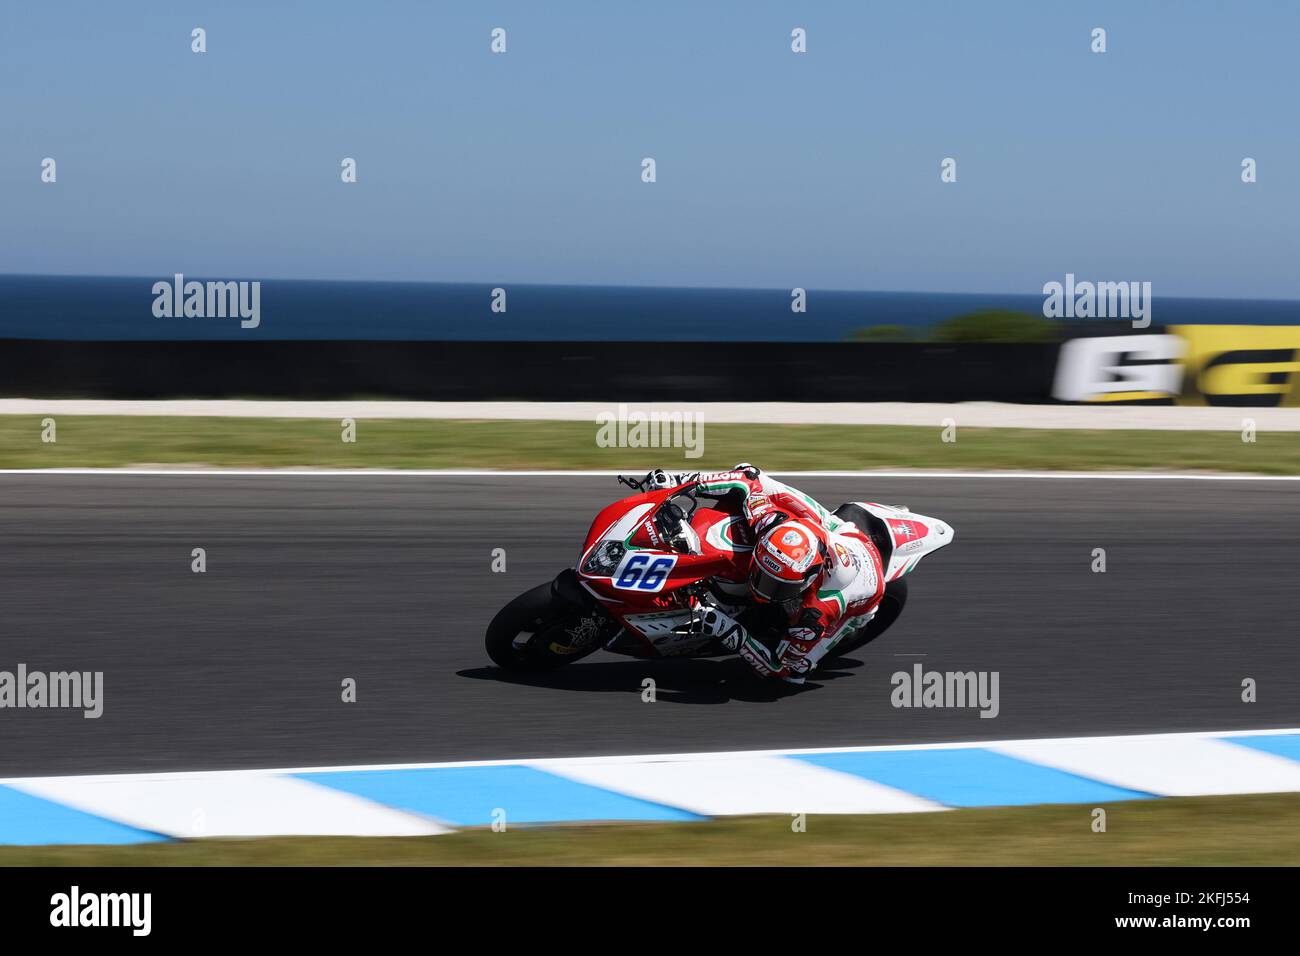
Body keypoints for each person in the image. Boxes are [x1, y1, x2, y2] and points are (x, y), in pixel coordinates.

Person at [640, 464, 885, 683]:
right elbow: (745, 481)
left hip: (865, 591)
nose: (761, 588)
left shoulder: (816, 611)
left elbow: (776, 667)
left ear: (806, 582)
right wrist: (678, 484)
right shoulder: (769, 522)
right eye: (762, 575)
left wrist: (729, 630)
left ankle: (854, 622)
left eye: (777, 586)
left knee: (796, 672)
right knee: (751, 472)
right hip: (833, 530)